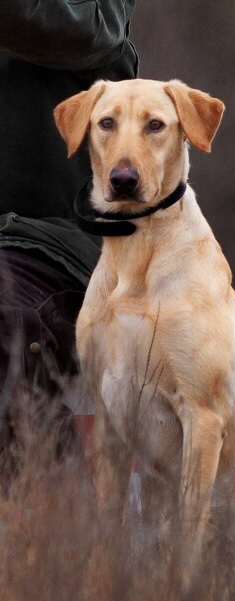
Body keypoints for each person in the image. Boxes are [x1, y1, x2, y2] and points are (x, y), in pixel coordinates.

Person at [0, 2, 138, 468]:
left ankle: (53, 523)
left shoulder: (93, 14)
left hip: (50, 243)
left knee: (5, 323)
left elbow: (80, 29)